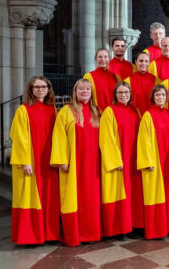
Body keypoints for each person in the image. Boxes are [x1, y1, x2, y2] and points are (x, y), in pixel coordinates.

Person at [50, 79, 102, 246]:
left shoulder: (97, 112)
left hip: (93, 162)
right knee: (73, 197)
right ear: (75, 91)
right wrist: (61, 160)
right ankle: (75, 234)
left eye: (88, 88)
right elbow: (58, 136)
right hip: (73, 161)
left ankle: (91, 234)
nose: (85, 91)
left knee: (91, 198)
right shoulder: (66, 110)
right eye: (81, 88)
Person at [10, 76, 60, 245]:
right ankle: (31, 236)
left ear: (48, 89)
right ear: (30, 90)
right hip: (31, 159)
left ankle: (50, 234)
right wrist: (25, 161)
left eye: (44, 87)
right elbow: (19, 137)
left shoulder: (52, 109)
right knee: (30, 196)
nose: (40, 90)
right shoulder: (23, 110)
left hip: (49, 160)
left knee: (50, 195)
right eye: (36, 87)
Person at [136, 84, 169, 239]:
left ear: (166, 97)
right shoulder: (148, 115)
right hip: (155, 160)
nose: (160, 98)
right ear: (153, 98)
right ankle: (155, 229)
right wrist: (148, 161)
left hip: (168, 160)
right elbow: (144, 140)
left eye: (163, 95)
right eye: (157, 95)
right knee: (154, 194)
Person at [99, 82, 142, 237]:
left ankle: (134, 226)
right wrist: (115, 161)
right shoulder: (109, 111)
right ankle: (118, 229)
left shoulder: (135, 110)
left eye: (126, 92)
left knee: (134, 193)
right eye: (120, 93)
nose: (124, 95)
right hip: (119, 160)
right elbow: (106, 138)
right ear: (115, 95)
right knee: (118, 192)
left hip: (134, 159)